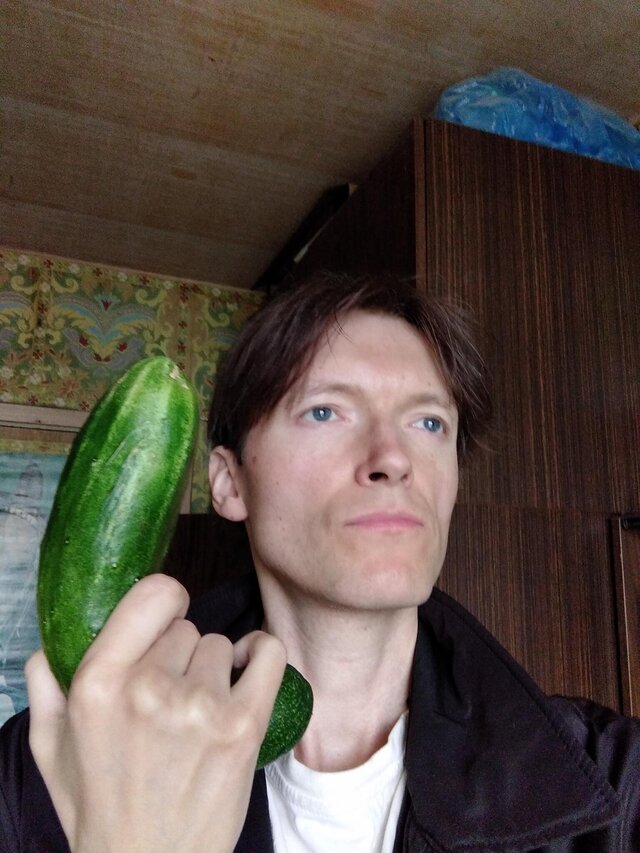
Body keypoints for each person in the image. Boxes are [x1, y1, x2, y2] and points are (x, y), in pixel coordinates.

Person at [0, 271, 639, 852]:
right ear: (229, 482)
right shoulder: (38, 769)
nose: (393, 459)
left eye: (428, 423)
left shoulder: (619, 779)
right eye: (325, 411)